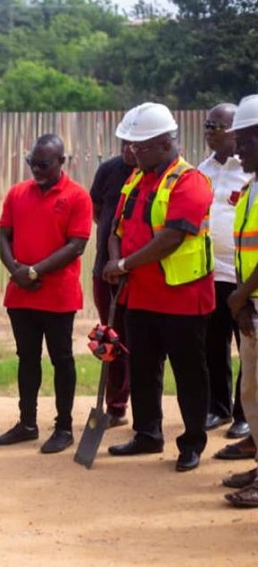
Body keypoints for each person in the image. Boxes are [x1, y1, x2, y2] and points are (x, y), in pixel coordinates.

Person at [103, 102, 214, 472]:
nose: (132, 151)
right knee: (144, 368)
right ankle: (147, 433)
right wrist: (116, 261)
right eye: (132, 145)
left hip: (182, 298)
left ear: (166, 142)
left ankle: (192, 442)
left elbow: (172, 237)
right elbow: (116, 228)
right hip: (141, 296)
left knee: (189, 373)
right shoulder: (135, 179)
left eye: (141, 145)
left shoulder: (190, 181)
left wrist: (123, 264)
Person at [0, 134, 92, 454]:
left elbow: (76, 245)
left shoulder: (77, 196)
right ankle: (27, 423)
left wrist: (34, 271)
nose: (36, 169)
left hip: (57, 294)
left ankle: (64, 426)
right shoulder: (17, 193)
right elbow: (3, 237)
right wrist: (16, 272)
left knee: (61, 359)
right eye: (32, 163)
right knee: (27, 359)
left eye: (43, 164)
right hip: (21, 294)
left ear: (61, 162)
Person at [198, 104, 253, 445]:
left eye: (214, 125)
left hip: (244, 276)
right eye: (206, 124)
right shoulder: (200, 171)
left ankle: (245, 415)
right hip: (209, 273)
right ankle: (218, 407)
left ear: (235, 130)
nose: (208, 130)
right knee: (212, 345)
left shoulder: (250, 171)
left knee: (247, 344)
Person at [223, 93, 258, 507]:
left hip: (248, 298)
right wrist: (245, 300)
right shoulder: (250, 188)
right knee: (252, 390)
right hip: (251, 306)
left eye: (246, 141)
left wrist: (241, 294)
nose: (238, 149)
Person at [89, 137, 135, 428]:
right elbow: (98, 213)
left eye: (134, 144)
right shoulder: (108, 170)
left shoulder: (155, 176)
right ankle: (115, 407)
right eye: (123, 143)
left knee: (140, 341)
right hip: (103, 269)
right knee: (111, 338)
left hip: (139, 273)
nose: (128, 149)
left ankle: (146, 412)